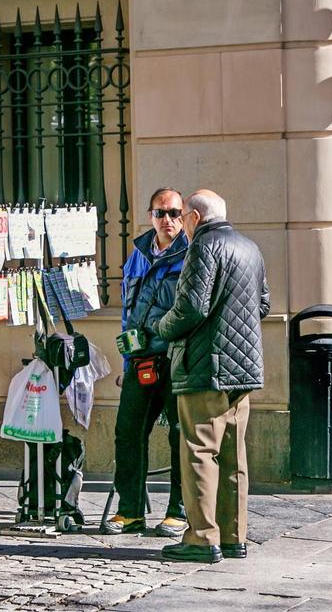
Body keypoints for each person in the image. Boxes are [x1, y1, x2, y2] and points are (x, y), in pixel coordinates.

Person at [154, 189, 270, 563]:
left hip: (206, 367)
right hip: (243, 368)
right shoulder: (249, 247)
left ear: (195, 218)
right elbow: (262, 303)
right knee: (234, 456)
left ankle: (203, 538)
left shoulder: (203, 246)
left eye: (184, 216)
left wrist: (161, 326)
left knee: (199, 452)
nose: (182, 224)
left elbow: (190, 308)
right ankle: (235, 536)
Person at [100, 188, 189, 537]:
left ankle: (178, 511)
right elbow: (127, 313)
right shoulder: (137, 254)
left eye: (174, 213)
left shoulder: (191, 254)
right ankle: (130, 511)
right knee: (128, 433)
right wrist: (126, 363)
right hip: (140, 360)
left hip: (176, 358)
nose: (167, 220)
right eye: (160, 213)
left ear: (184, 216)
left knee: (181, 437)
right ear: (149, 215)